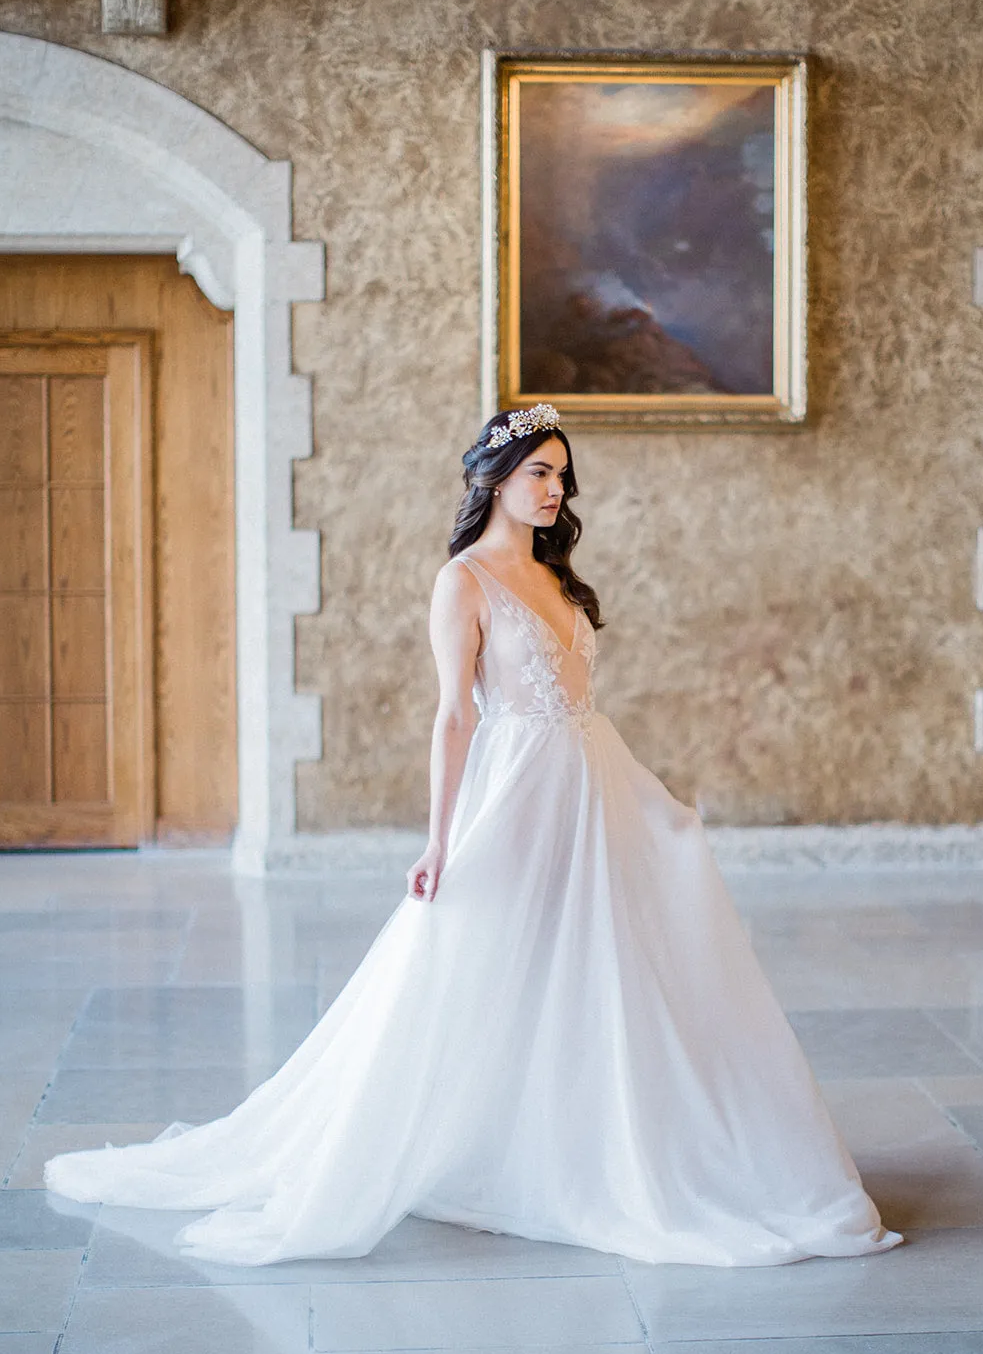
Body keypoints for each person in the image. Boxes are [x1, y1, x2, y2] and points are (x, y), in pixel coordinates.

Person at [45, 404, 902, 1268]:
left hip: (591, 785)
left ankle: (580, 1144)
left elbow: (576, 706)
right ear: (494, 477)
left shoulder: (558, 579)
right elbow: (455, 715)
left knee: (602, 969)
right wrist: (438, 840)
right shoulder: (464, 582)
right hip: (518, 790)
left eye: (562, 476)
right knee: (476, 962)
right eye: (540, 472)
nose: (555, 489)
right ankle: (441, 1143)